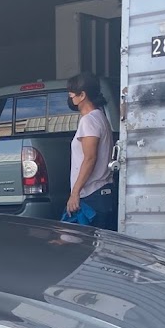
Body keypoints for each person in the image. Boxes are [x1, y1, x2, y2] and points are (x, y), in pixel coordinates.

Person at [65, 72, 116, 230]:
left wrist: (75, 193)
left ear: (82, 95)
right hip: (101, 193)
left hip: (91, 195)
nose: (70, 98)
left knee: (82, 240)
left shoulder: (89, 121)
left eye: (71, 94)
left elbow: (90, 158)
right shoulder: (100, 117)